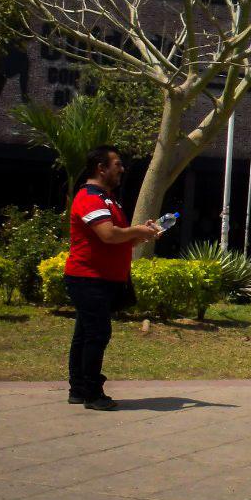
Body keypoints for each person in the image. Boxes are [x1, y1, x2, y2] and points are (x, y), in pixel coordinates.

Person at [65, 147, 160, 411]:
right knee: (96, 334)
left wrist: (139, 234)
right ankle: (93, 394)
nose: (122, 169)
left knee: (85, 333)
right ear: (100, 167)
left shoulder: (108, 199)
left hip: (101, 279)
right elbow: (108, 234)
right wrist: (135, 231)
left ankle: (79, 389)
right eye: (117, 164)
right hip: (88, 278)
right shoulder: (90, 197)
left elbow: (117, 239)